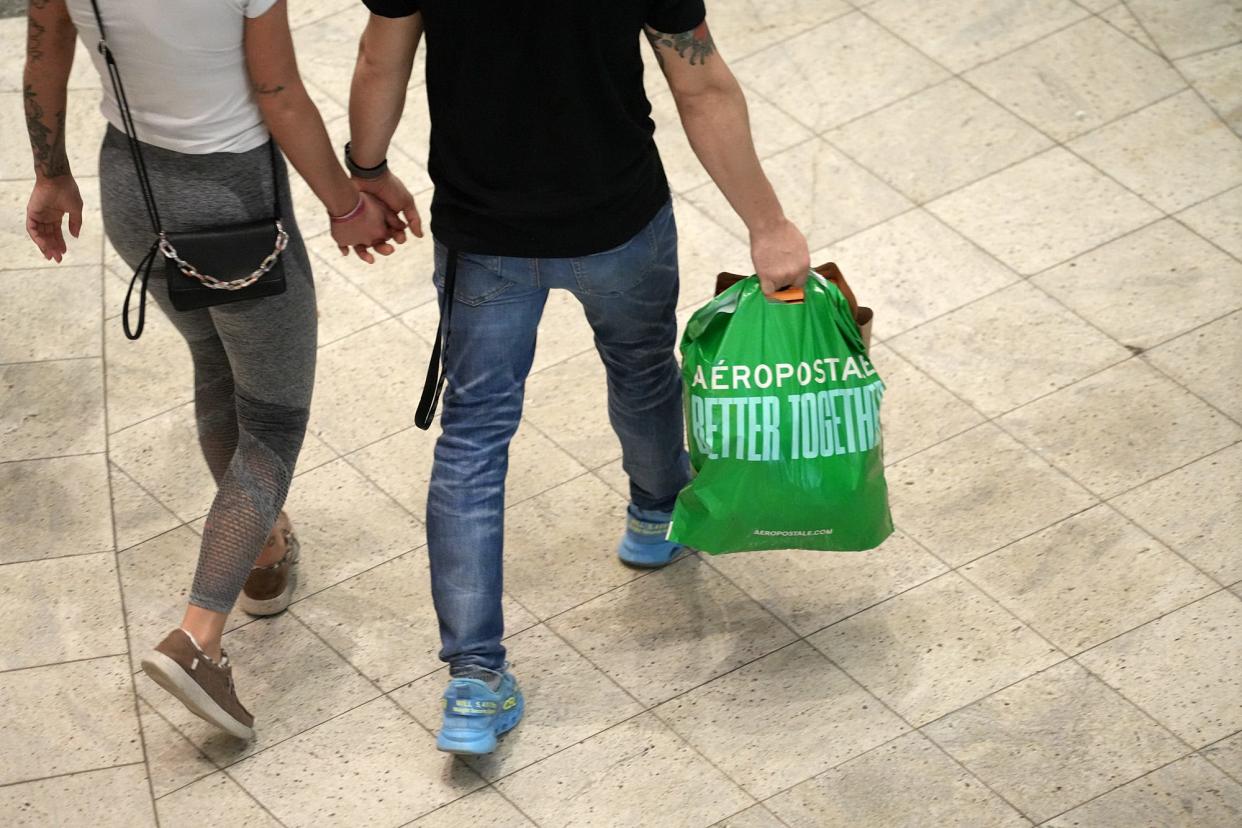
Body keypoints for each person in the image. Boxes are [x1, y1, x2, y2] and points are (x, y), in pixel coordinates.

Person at [348, 0, 811, 754]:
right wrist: (767, 222)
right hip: (619, 220)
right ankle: (657, 515)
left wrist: (366, 171)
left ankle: (474, 681)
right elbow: (700, 83)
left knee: (472, 442)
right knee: (642, 371)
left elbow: (380, 60)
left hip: (484, 235)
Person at [24, 0, 402, 740]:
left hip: (131, 185)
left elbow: (43, 56)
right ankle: (198, 638)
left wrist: (51, 174)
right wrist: (346, 201)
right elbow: (279, 93)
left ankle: (262, 555)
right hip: (235, 203)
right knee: (272, 425)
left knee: (214, 362)